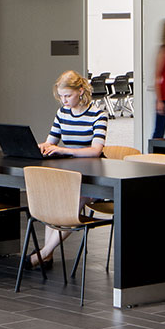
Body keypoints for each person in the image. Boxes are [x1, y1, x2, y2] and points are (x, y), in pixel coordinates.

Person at [31, 70, 106, 268]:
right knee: (55, 200)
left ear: (80, 91)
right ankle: (46, 254)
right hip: (69, 173)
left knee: (76, 200)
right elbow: (50, 142)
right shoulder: (62, 113)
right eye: (61, 96)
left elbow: (96, 151)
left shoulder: (97, 114)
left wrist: (64, 150)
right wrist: (39, 147)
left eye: (68, 96)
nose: (64, 100)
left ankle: (44, 252)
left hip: (93, 177)